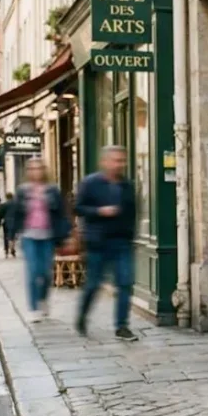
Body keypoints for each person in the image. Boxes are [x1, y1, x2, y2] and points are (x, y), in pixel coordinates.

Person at [74, 146, 137, 341]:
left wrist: (130, 235)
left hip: (122, 242)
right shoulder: (91, 183)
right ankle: (82, 317)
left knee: (125, 283)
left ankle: (122, 326)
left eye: (122, 160)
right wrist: (99, 211)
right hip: (98, 243)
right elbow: (78, 208)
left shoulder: (127, 185)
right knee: (93, 284)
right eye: (116, 160)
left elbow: (133, 211)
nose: (119, 164)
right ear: (105, 162)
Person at [15, 161, 69, 322]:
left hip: (47, 236)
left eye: (38, 168)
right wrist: (12, 234)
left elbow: (61, 214)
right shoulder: (23, 191)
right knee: (32, 272)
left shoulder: (52, 190)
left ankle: (43, 299)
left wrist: (64, 236)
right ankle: (33, 308)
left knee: (45, 273)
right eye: (32, 168)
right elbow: (16, 213)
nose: (35, 171)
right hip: (29, 236)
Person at [0, 192, 17, 257]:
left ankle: (6, 249)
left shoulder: (4, 204)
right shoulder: (16, 204)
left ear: (6, 197)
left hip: (6, 221)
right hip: (15, 221)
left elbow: (0, 213)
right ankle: (12, 248)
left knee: (6, 235)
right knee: (13, 235)